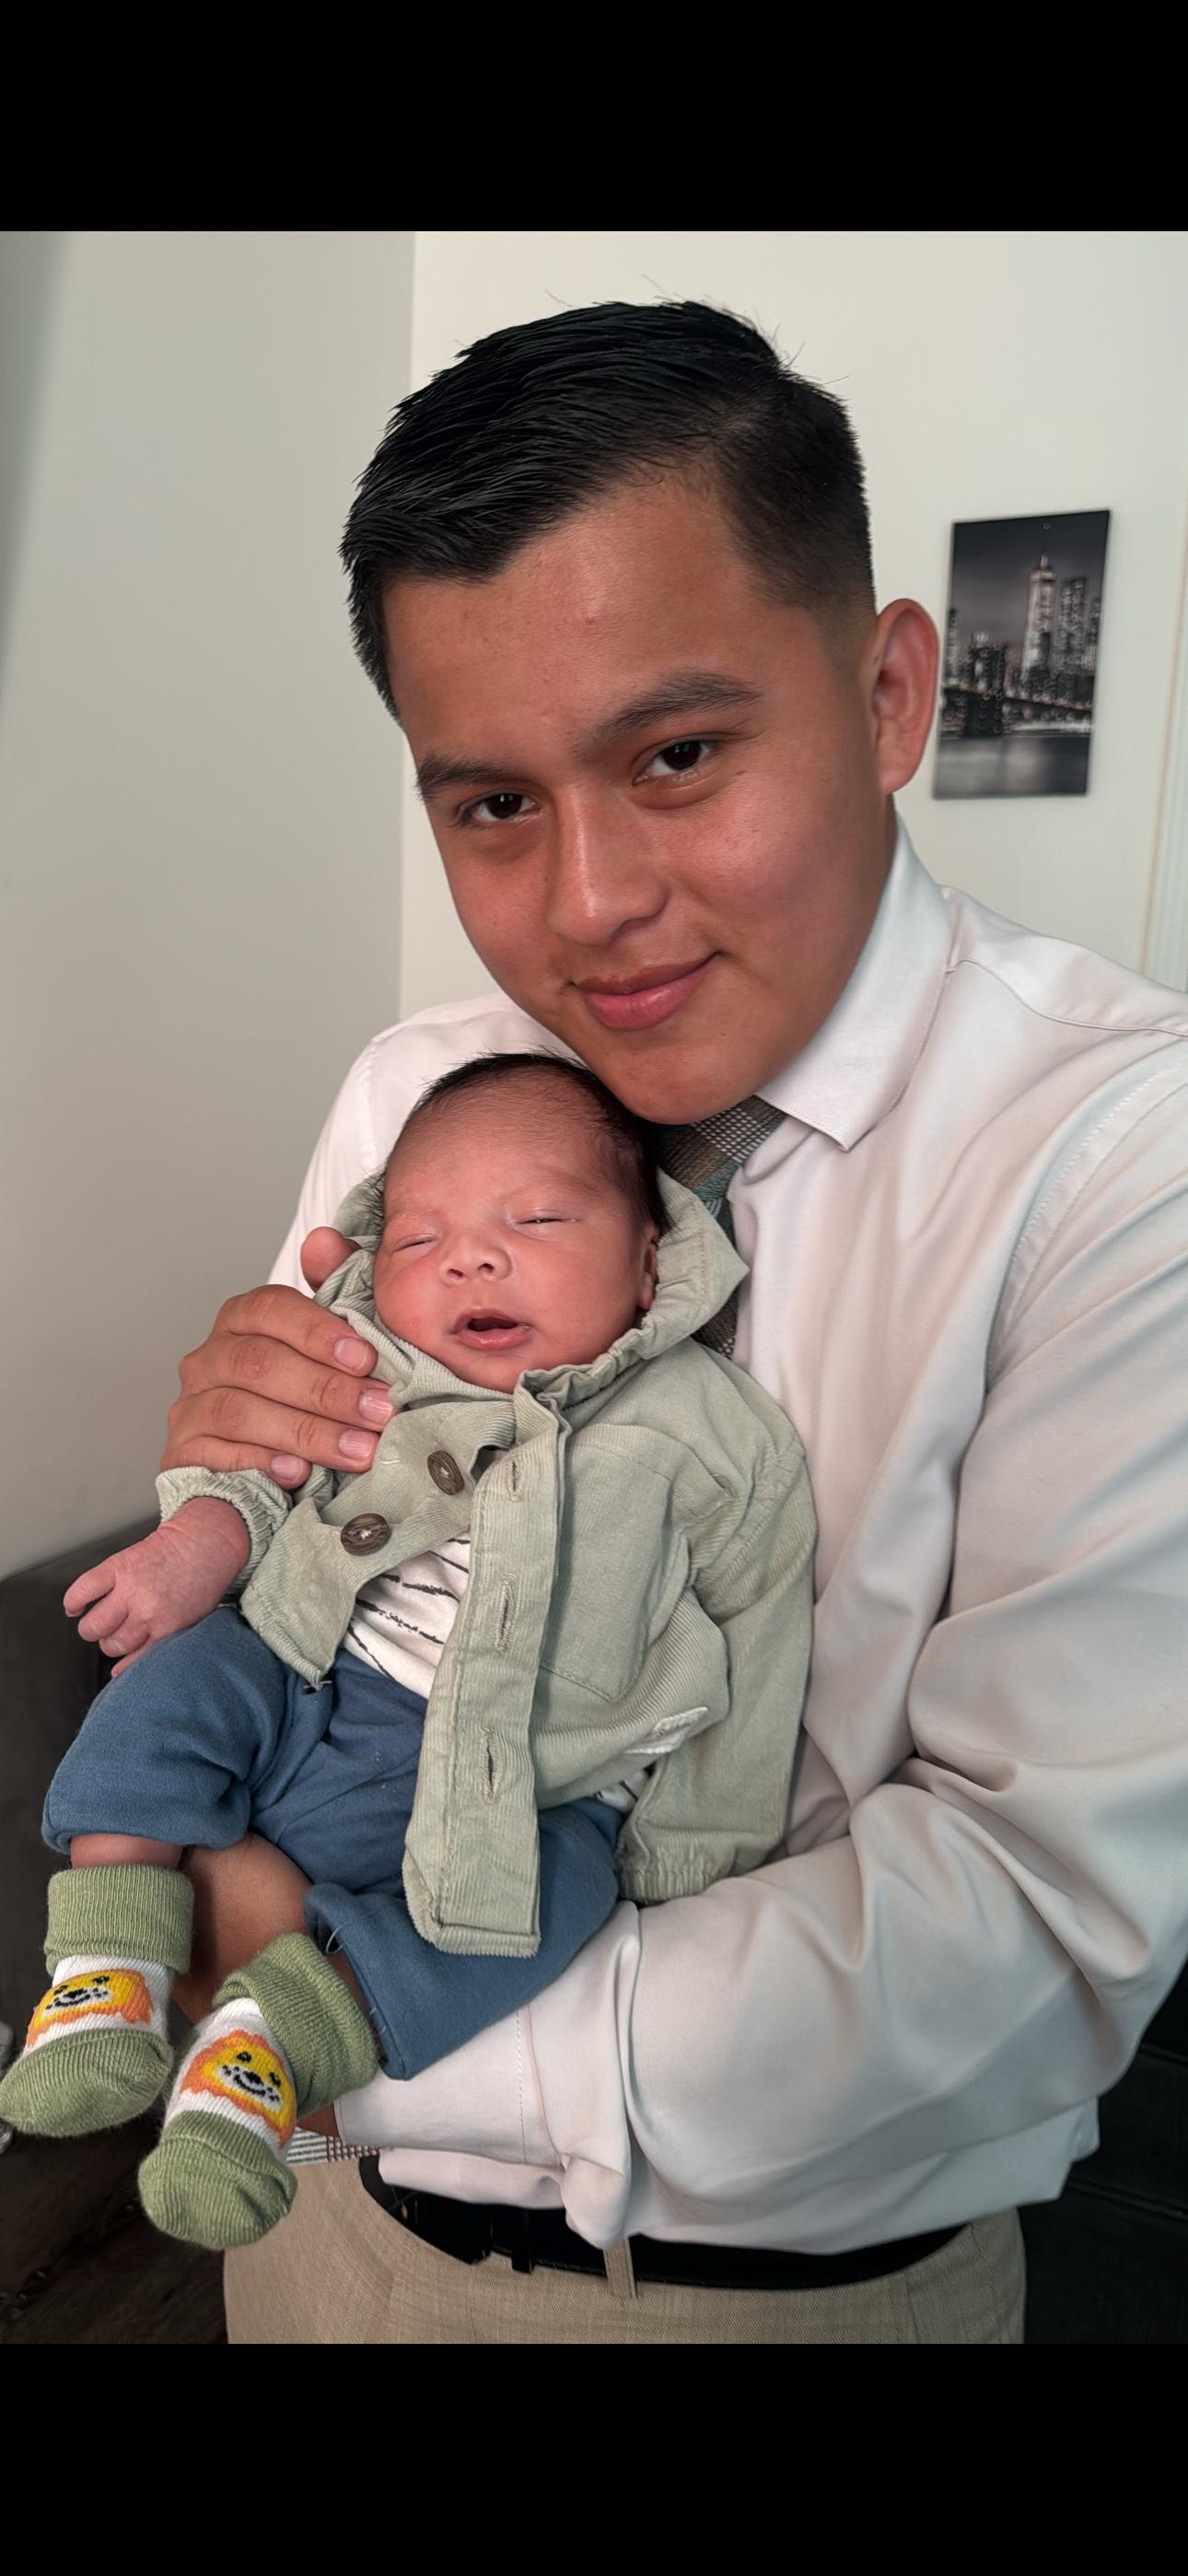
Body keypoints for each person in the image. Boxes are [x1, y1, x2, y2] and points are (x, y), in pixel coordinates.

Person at [104, 300, 1188, 2343]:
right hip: (302, 2236)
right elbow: (319, 1575)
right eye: (491, 805)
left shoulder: (1121, 1161)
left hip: (759, 2292)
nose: (589, 901)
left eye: (676, 756)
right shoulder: (413, 1095)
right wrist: (236, 1488)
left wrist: (312, 2021)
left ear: (888, 692)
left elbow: (1037, 1924)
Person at [0, 1053, 813, 2252]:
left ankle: (269, 2052)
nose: (470, 1258)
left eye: (536, 1221)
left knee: (559, 1902)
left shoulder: (713, 1435)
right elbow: (260, 1474)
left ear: (652, 1260)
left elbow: (759, 1635)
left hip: (530, 1786)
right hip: (307, 1675)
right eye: (421, 1239)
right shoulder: (362, 1361)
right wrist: (191, 1546)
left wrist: (696, 1846)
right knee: (175, 1685)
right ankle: (105, 1957)